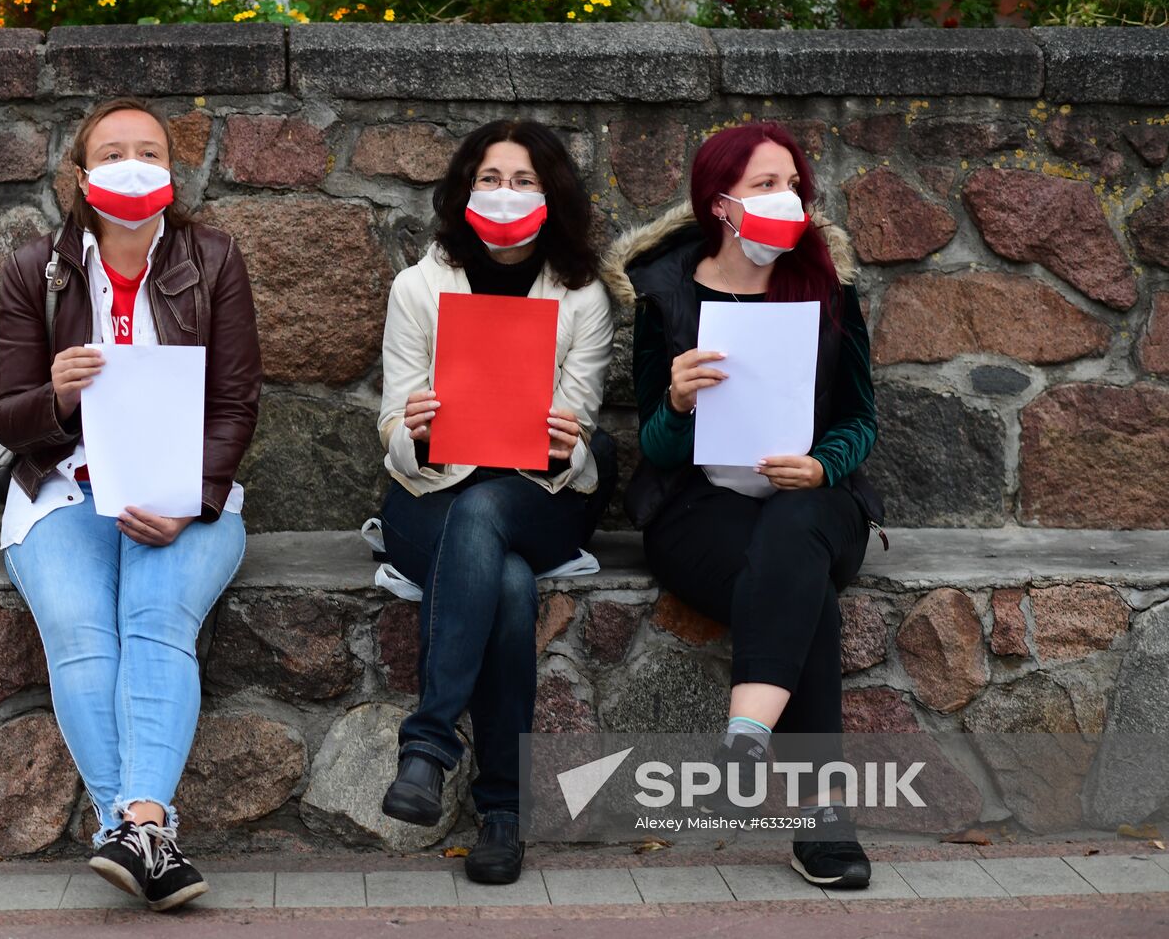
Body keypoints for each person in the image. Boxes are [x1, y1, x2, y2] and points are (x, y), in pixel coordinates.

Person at [0, 97, 262, 911]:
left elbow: (238, 403)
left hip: (182, 491)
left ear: (173, 174)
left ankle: (131, 826)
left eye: (148, 151)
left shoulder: (215, 259)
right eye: (111, 153)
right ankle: (148, 832)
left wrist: (190, 498)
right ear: (80, 175)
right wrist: (59, 397)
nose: (130, 164)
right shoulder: (36, 267)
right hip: (62, 488)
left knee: (154, 615)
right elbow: (7, 416)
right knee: (81, 628)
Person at [602, 122, 884, 890]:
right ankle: (821, 818)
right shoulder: (667, 290)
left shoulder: (826, 282)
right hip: (703, 509)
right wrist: (676, 400)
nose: (785, 199)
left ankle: (747, 734)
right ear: (719, 202)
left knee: (795, 532)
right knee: (805, 591)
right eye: (765, 186)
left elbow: (862, 417)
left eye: (793, 184)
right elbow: (656, 450)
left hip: (818, 500)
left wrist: (824, 464)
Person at [375, 120, 618, 885]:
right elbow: (390, 424)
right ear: (463, 189)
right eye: (489, 178)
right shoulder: (418, 287)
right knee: (507, 583)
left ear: (553, 197)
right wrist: (413, 428)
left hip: (535, 497)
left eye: (523, 180)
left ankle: (430, 746)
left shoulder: (583, 298)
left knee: (489, 516)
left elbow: (577, 437)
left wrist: (562, 438)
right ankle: (504, 813)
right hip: (431, 494)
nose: (504, 194)